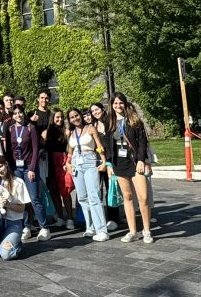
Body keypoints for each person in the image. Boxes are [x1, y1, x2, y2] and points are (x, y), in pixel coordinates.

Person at [106, 92, 154, 244]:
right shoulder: (110, 122)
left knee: (143, 197)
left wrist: (141, 160)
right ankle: (133, 231)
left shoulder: (134, 120)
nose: (118, 106)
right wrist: (109, 164)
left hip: (134, 161)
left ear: (124, 104)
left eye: (120, 103)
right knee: (127, 197)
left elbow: (142, 142)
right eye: (115, 103)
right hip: (119, 163)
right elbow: (107, 145)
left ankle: (146, 230)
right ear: (112, 105)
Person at [6, 106, 49, 241]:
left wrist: (32, 168)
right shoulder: (11, 129)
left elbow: (35, 150)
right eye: (15, 113)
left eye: (20, 113)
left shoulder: (30, 128)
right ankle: (26, 226)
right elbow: (9, 150)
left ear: (24, 114)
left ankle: (44, 227)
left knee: (34, 198)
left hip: (29, 167)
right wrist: (10, 169)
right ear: (12, 116)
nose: (18, 115)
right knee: (21, 199)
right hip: (16, 169)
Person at [64, 107, 108, 240]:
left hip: (90, 161)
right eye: (72, 117)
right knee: (82, 197)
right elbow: (70, 151)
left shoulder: (90, 128)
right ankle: (90, 227)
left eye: (77, 115)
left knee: (94, 195)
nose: (75, 118)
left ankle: (102, 230)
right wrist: (68, 162)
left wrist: (104, 160)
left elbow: (99, 146)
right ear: (69, 120)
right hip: (77, 164)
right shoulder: (71, 133)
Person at [0, 155, 31, 260]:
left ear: (6, 164)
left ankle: (15, 244)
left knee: (6, 254)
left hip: (13, 223)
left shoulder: (18, 182)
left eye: (1, 166)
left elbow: (22, 208)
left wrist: (7, 204)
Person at [90, 102, 119, 232]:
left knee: (110, 188)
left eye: (97, 109)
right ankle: (101, 218)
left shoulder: (110, 122)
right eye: (93, 111)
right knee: (97, 190)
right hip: (96, 161)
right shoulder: (93, 125)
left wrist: (108, 162)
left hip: (109, 161)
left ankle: (113, 219)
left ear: (102, 109)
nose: (95, 112)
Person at [43, 109, 74, 229]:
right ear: (52, 118)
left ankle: (70, 218)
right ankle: (60, 217)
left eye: (61, 117)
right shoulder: (47, 132)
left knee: (65, 191)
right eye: (57, 117)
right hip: (50, 163)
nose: (60, 119)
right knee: (54, 191)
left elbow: (70, 148)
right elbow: (42, 146)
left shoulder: (66, 131)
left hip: (63, 162)